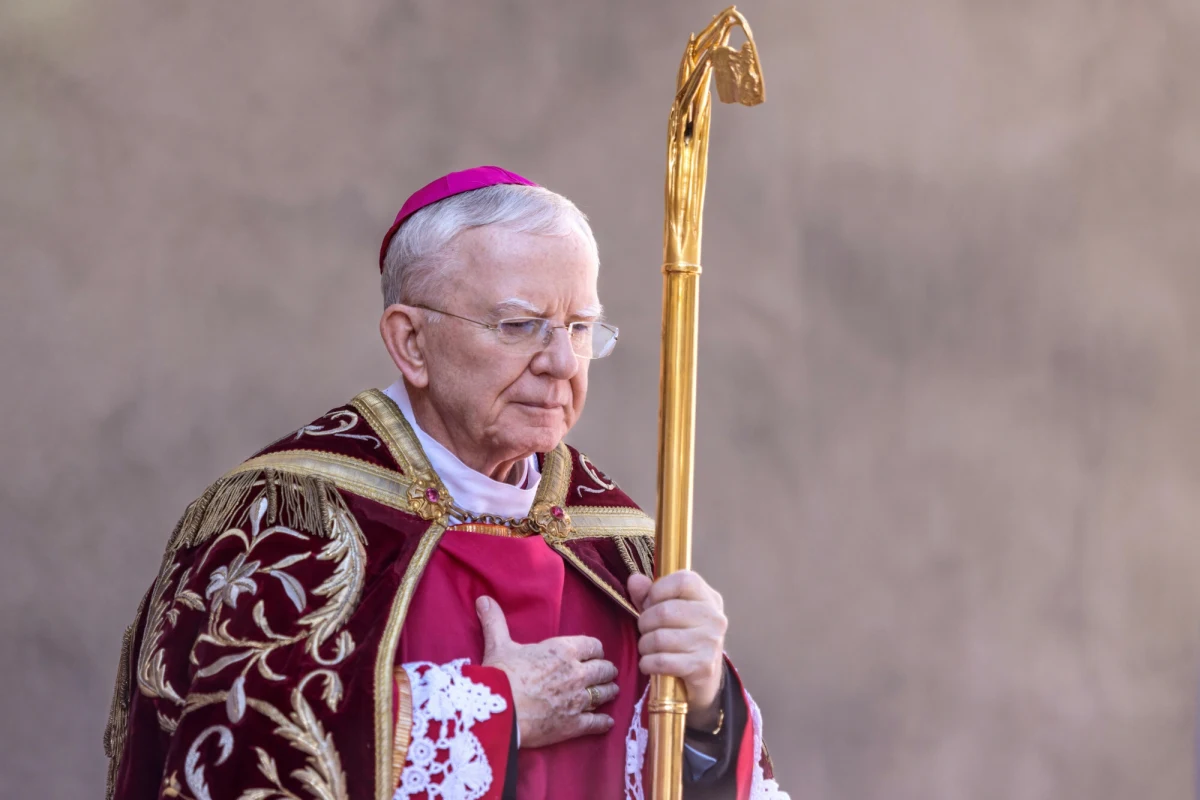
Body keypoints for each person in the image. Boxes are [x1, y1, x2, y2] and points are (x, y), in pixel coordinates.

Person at [103, 166, 787, 800]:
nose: (560, 361)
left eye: (581, 328)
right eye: (520, 325)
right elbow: (237, 757)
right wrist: (492, 711)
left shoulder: (622, 549)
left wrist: (705, 708)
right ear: (410, 343)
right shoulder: (289, 525)